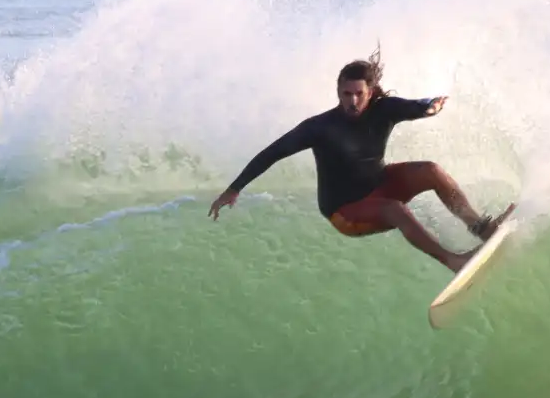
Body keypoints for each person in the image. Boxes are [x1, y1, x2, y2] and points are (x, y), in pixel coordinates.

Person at [209, 56, 510, 272]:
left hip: (379, 185)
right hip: (345, 211)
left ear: (371, 91)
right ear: (338, 91)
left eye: (359, 94)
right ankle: (453, 261)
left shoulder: (384, 109)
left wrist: (430, 107)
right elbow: (271, 153)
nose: (352, 101)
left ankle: (480, 227)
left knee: (430, 170)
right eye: (346, 94)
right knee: (395, 209)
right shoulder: (319, 127)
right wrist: (234, 189)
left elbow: (416, 105)